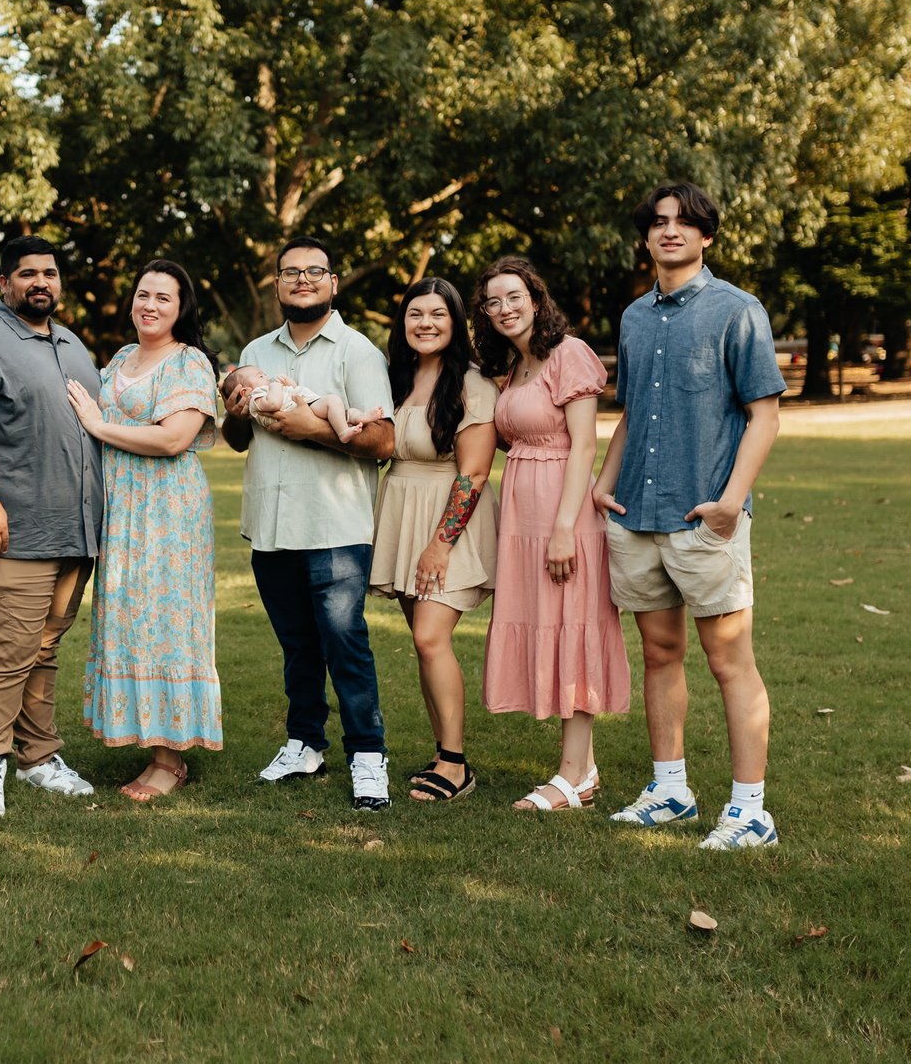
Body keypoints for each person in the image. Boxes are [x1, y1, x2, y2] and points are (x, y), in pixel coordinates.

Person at [592, 183, 786, 849]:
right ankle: (670, 791)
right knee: (660, 654)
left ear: (706, 235)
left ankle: (751, 812)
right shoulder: (634, 317)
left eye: (684, 221)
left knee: (730, 661)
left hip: (705, 518)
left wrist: (730, 503)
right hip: (636, 515)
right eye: (658, 221)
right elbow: (632, 412)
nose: (669, 230)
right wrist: (602, 485)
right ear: (646, 237)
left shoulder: (739, 311)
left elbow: (765, 416)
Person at [222, 237, 397, 811]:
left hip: (334, 528)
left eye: (315, 271)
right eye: (291, 272)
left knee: (345, 644)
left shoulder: (357, 352)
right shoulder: (255, 351)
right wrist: (235, 416)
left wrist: (313, 428)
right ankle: (304, 743)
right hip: (270, 526)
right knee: (296, 646)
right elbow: (238, 439)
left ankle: (368, 756)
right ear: (276, 284)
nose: (302, 279)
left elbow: (383, 441)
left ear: (333, 282)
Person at [0, 235, 104, 817]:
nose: (41, 283)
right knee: (9, 650)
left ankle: (38, 756)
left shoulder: (71, 344)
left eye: (49, 273)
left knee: (44, 648)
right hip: (12, 529)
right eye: (27, 274)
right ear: (4, 283)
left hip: (75, 531)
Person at [473, 256, 629, 812]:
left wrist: (565, 528)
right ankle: (584, 769)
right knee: (551, 626)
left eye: (514, 297)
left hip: (565, 513)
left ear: (536, 300)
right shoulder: (514, 368)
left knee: (574, 627)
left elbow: (585, 444)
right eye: (493, 302)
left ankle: (570, 776)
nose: (504, 309)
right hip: (523, 515)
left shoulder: (570, 354)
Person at [66, 260, 222, 800]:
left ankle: (169, 760)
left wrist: (98, 424)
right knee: (131, 618)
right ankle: (149, 737)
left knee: (166, 620)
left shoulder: (189, 361)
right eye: (143, 295)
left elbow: (174, 439)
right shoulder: (119, 359)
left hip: (167, 508)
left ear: (182, 308)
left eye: (163, 297)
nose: (149, 305)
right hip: (121, 504)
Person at [367, 278, 499, 803]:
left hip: (448, 520)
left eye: (437, 314)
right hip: (401, 513)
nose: (425, 323)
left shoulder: (472, 384)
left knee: (429, 638)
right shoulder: (394, 378)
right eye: (415, 313)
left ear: (455, 323)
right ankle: (444, 752)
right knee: (425, 645)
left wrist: (441, 544)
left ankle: (456, 764)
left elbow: (475, 472)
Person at [222, 364, 387, 443]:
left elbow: (295, 391)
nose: (266, 377)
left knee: (342, 409)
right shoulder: (256, 398)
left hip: (305, 406)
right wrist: (276, 386)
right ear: (244, 391)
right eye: (260, 376)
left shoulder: (267, 390)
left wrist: (289, 384)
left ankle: (360, 417)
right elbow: (273, 404)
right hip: (305, 408)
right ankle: (343, 432)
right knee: (333, 402)